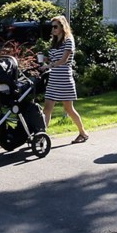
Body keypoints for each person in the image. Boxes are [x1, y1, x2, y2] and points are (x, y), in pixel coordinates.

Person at [42, 15, 89, 144]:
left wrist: (49, 65)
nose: (53, 29)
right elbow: (54, 59)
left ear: (63, 27)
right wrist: (45, 60)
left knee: (68, 109)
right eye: (52, 27)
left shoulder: (69, 40)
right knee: (47, 109)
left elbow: (64, 60)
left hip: (64, 79)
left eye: (55, 26)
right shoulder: (55, 42)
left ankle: (83, 133)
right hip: (53, 79)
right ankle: (42, 135)